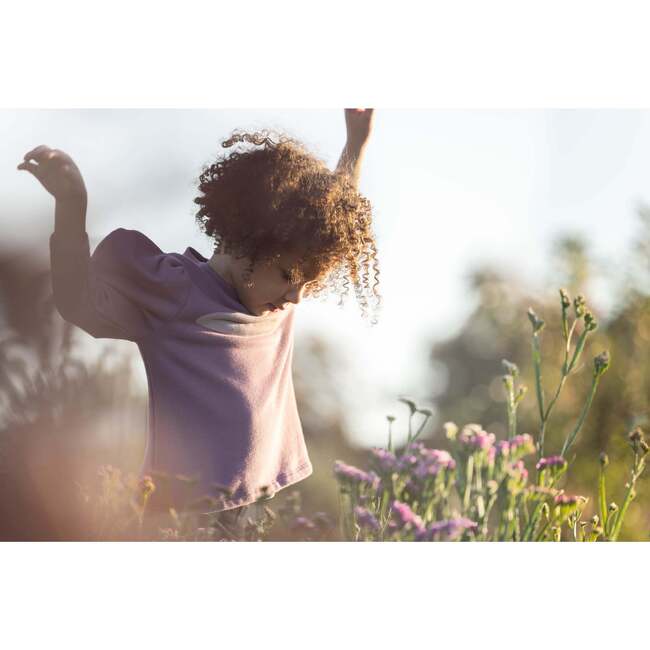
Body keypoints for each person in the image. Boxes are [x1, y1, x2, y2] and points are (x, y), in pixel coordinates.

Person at [17, 109, 380, 537]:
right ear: (242, 241)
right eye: (287, 276)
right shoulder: (173, 291)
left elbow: (333, 215)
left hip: (260, 504)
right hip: (185, 516)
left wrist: (356, 143)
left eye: (308, 282)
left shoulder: (276, 294)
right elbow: (77, 304)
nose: (296, 297)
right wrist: (71, 207)